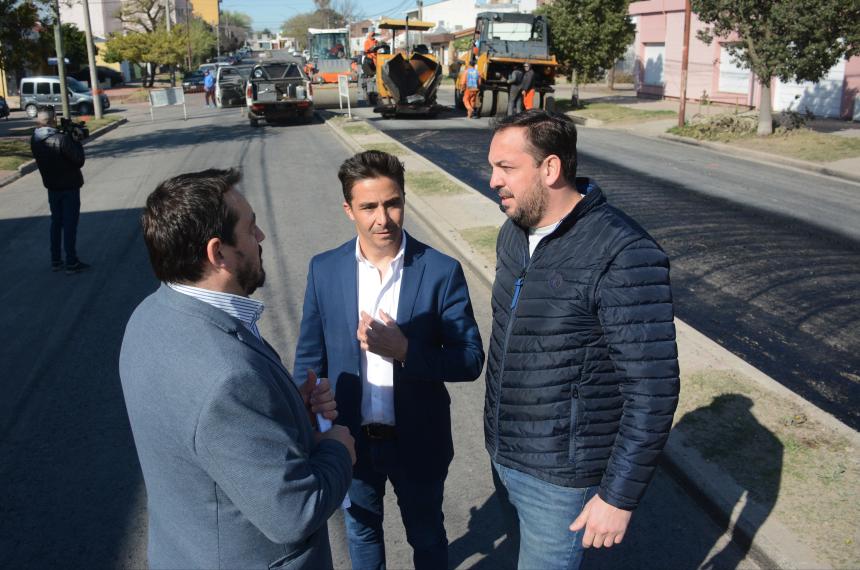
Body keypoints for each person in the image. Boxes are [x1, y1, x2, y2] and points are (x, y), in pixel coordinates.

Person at [119, 168, 355, 569]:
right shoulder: (227, 377)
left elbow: (209, 434)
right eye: (251, 229)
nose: (261, 238)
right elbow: (293, 513)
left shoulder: (148, 315)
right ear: (218, 253)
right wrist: (338, 448)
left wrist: (285, 411)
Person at [484, 110, 680, 570]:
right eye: (492, 167)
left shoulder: (624, 252)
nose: (493, 180)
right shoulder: (512, 234)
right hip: (502, 451)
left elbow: (652, 390)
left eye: (506, 168)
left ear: (550, 169)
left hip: (561, 480)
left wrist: (618, 497)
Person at [294, 150, 485, 570]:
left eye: (392, 202)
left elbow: (470, 359)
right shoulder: (324, 270)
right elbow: (309, 361)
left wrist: (405, 351)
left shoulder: (440, 270)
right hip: (350, 443)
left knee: (428, 535)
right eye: (369, 207)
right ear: (349, 209)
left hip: (418, 441)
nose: (384, 218)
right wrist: (315, 425)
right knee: (362, 535)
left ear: (403, 198)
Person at [30, 106, 90, 274]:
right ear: (53, 119)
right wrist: (76, 140)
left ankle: (56, 260)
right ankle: (71, 262)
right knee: (70, 224)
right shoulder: (61, 139)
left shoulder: (34, 139)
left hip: (52, 187)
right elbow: (79, 160)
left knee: (56, 223)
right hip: (69, 186)